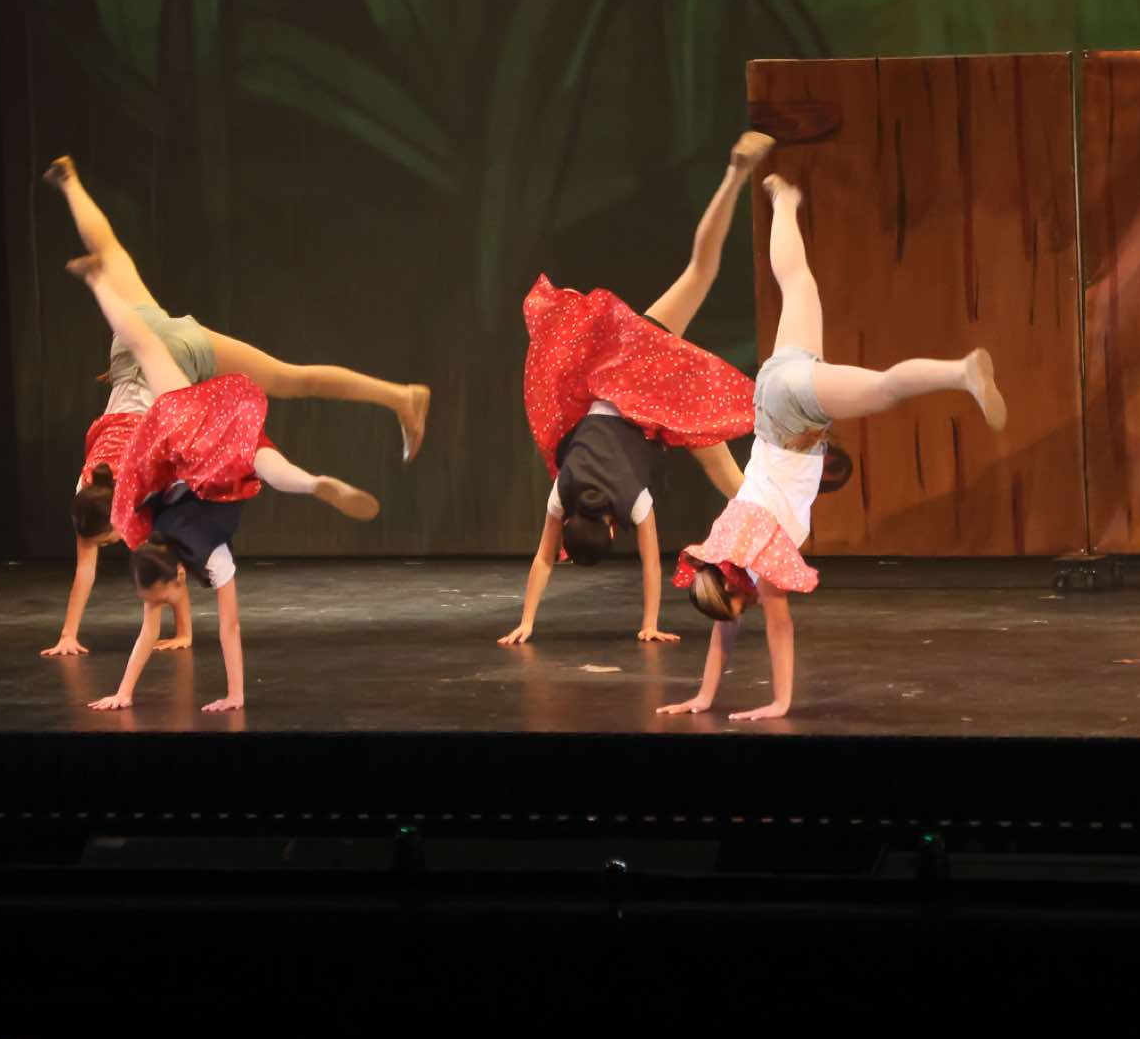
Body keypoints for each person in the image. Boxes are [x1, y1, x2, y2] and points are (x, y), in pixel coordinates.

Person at [42, 154, 428, 657]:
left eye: (107, 539)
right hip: (134, 338)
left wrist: (78, 634)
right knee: (110, 251)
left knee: (288, 382)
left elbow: (145, 561)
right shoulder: (88, 485)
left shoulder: (132, 497)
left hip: (167, 371)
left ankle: (395, 402)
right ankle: (70, 182)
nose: (113, 542)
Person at [659, 173, 1008, 722]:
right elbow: (722, 632)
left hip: (793, 418)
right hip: (773, 396)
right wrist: (701, 697)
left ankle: (960, 372)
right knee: (798, 284)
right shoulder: (727, 549)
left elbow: (778, 629)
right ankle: (785, 202)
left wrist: (779, 702)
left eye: (738, 608)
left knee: (885, 389)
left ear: (735, 590)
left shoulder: (756, 567)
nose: (741, 616)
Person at [498, 133, 775, 648]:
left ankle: (780, 542)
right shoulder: (562, 494)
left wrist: (649, 624)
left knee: (729, 478)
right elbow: (542, 559)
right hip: (627, 364)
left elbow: (649, 564)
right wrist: (526, 620)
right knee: (701, 271)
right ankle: (735, 175)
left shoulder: (634, 501)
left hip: (659, 403)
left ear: (610, 530)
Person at [76, 255, 380, 714]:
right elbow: (133, 491)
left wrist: (233, 695)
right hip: (193, 423)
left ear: (177, 579)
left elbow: (225, 628)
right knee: (144, 346)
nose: (153, 606)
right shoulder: (148, 536)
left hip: (218, 465)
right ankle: (99, 282)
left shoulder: (212, 558)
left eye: (155, 598)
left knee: (265, 465)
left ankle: (308, 481)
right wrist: (125, 693)